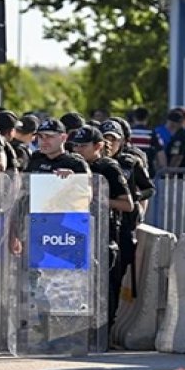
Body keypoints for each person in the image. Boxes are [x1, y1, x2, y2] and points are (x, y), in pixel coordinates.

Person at [70, 125, 134, 333]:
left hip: (104, 232)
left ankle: (103, 333)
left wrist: (99, 198)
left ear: (98, 146)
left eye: (83, 146)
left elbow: (127, 204)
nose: (78, 150)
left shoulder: (108, 167)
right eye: (75, 146)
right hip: (75, 231)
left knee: (105, 286)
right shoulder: (71, 165)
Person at [128, 107, 166, 176]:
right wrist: (163, 169)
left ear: (134, 118)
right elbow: (160, 152)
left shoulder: (128, 133)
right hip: (147, 170)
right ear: (147, 118)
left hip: (129, 169)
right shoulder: (152, 133)